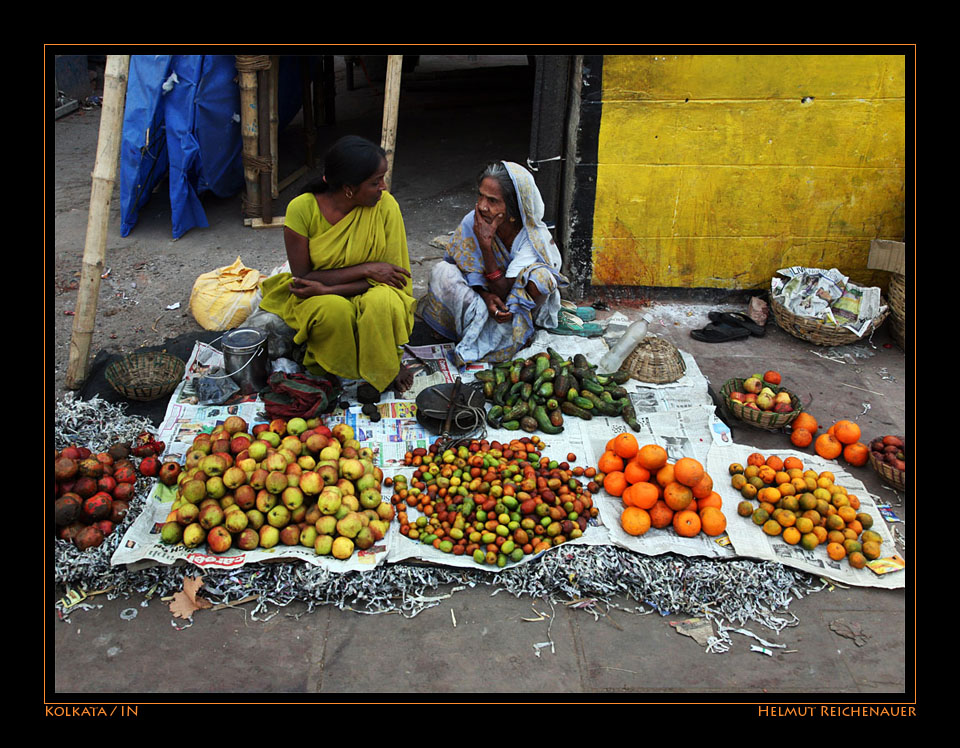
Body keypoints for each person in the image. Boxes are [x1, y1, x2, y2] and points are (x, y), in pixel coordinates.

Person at [257, 135, 415, 395]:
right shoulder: (302, 209)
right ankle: (332, 369)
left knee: (382, 303)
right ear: (349, 189)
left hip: (364, 289)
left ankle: (387, 364)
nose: (383, 187)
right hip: (318, 290)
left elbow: (393, 278)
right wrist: (366, 269)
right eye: (375, 182)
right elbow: (305, 276)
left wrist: (330, 288)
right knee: (334, 311)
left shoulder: (386, 206)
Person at [418, 161, 568, 365]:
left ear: (513, 209)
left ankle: (515, 336)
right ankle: (462, 331)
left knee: (542, 278)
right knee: (442, 272)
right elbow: (462, 269)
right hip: (484, 297)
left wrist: (486, 245)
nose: (482, 206)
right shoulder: (474, 220)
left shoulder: (532, 239)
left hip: (512, 310)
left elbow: (505, 295)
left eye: (492, 200)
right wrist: (485, 295)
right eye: (480, 195)